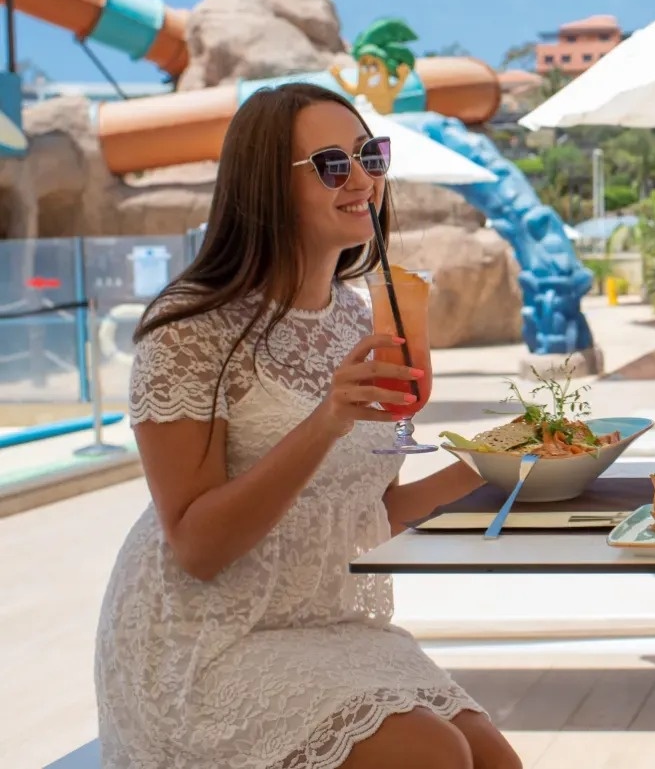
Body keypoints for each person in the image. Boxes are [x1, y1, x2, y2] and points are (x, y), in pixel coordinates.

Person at [94, 83, 521, 769]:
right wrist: (327, 419)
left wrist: (496, 464)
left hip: (321, 626)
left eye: (370, 155)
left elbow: (370, 509)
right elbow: (197, 545)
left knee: (495, 761)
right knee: (434, 756)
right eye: (332, 164)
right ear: (267, 188)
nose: (363, 179)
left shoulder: (362, 319)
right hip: (202, 646)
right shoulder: (188, 330)